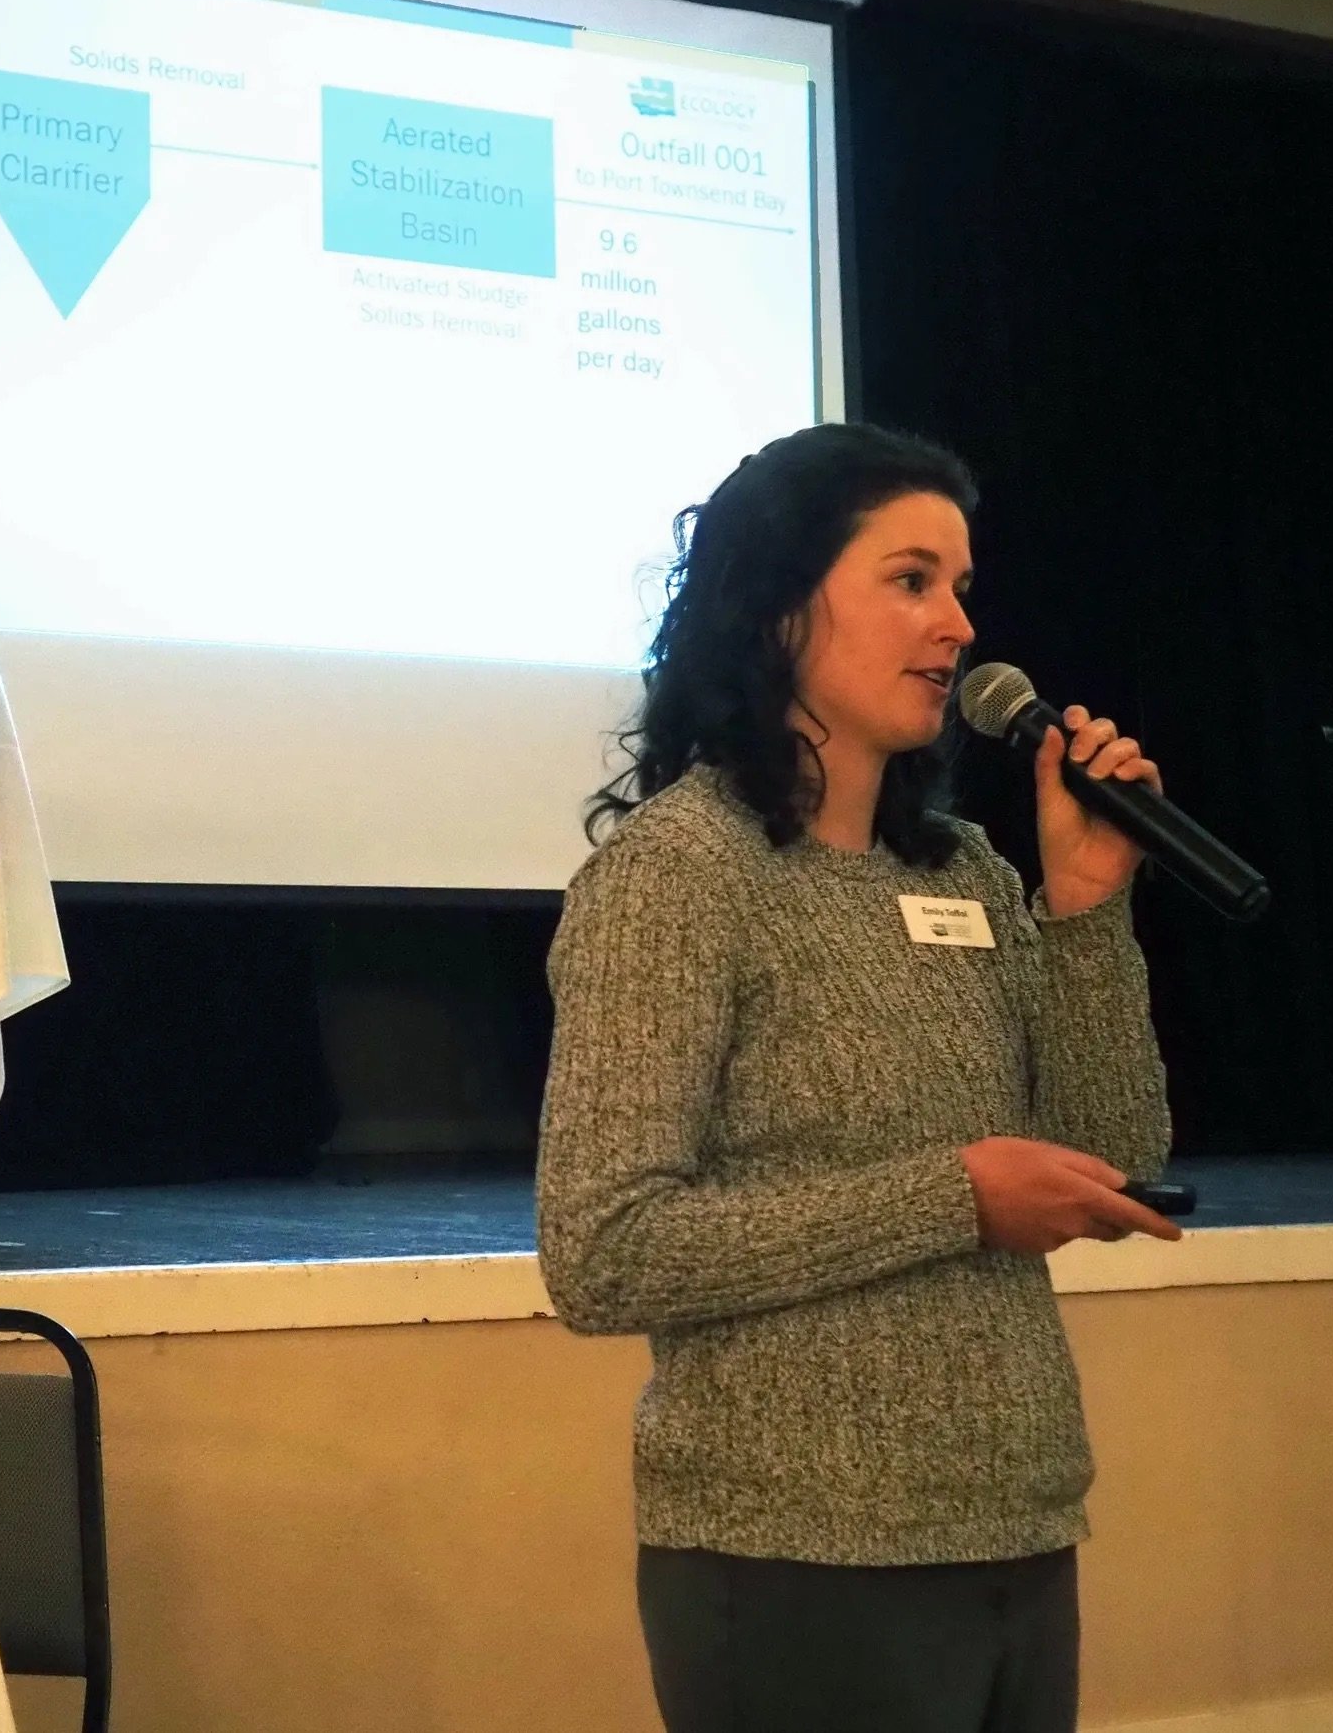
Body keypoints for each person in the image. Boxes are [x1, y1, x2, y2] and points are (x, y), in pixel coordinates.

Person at [535, 422, 1182, 1733]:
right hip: (796, 1557)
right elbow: (602, 1249)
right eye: (910, 580)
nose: (959, 625)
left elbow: (1115, 1156)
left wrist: (1088, 907)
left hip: (1016, 1529)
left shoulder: (966, 875)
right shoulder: (680, 877)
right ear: (776, 608)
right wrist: (953, 1197)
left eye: (960, 584)